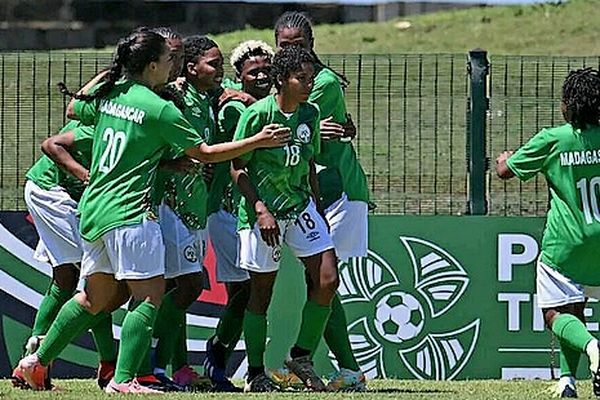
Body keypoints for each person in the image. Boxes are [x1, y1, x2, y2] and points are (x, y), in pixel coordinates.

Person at [15, 28, 288, 394]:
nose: (173, 66)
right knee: (149, 295)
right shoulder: (157, 107)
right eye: (170, 59)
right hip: (130, 211)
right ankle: (124, 380)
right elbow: (205, 154)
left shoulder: (113, 93)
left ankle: (35, 363)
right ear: (154, 64)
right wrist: (258, 140)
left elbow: (75, 106)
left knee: (94, 298)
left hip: (95, 209)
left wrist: (116, 71)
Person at [232, 44, 339, 392]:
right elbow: (237, 167)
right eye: (301, 78)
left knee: (327, 279)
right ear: (282, 80)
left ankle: (301, 356)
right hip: (263, 212)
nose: (308, 84)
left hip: (300, 207)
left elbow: (308, 163)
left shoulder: (310, 114)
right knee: (261, 293)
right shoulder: (258, 115)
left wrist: (318, 208)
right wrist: (260, 209)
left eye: (311, 78)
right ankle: (256, 372)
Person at [272, 11, 369, 391]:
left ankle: (318, 363)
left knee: (324, 281)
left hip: (339, 192)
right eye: (284, 46)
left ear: (311, 46)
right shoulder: (284, 82)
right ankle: (337, 367)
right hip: (312, 195)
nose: (291, 52)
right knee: (323, 283)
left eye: (297, 46)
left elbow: (286, 120)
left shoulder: (322, 82)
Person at [496, 67, 600, 399]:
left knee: (555, 312)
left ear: (568, 105)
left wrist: (506, 158)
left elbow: (504, 173)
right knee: (577, 306)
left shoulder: (553, 139)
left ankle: (593, 347)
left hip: (567, 244)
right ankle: (568, 381)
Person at [11, 71, 118, 391]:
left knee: (68, 279)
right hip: (51, 190)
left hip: (60, 193)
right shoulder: (108, 116)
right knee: (95, 279)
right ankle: (106, 365)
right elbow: (53, 143)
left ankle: (27, 366)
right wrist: (87, 178)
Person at [202, 39, 275, 390]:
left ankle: (223, 357)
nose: (261, 74)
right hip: (230, 210)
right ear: (239, 76)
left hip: (258, 212)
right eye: (252, 71)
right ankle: (219, 356)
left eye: (266, 68)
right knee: (245, 291)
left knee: (247, 292)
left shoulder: (269, 104)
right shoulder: (235, 108)